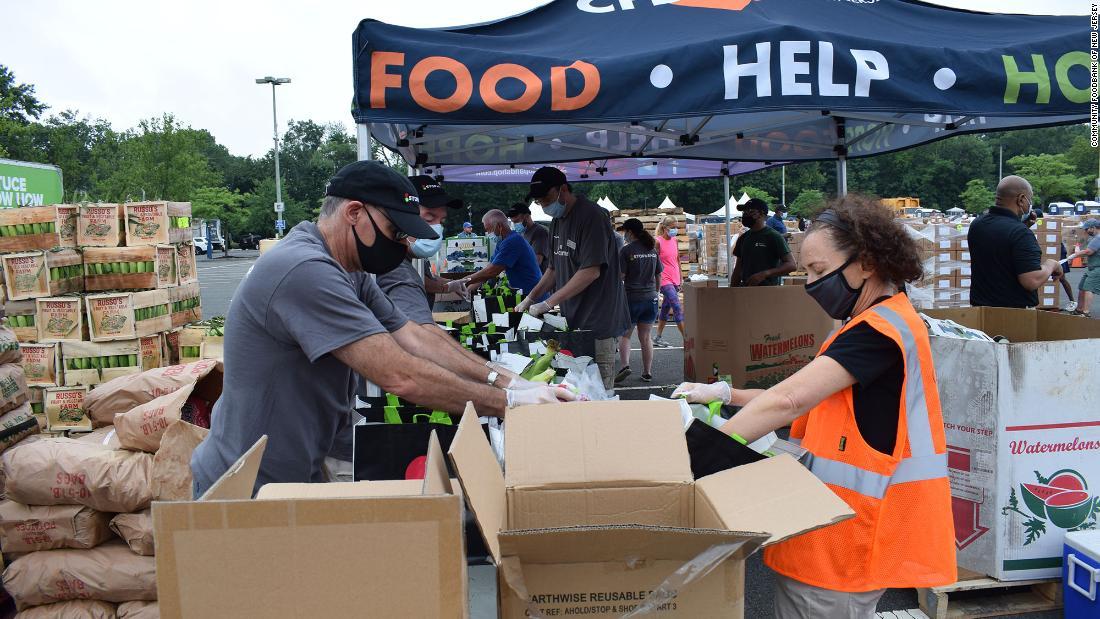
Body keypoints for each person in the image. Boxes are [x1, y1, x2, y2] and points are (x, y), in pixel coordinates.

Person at [191, 161, 573, 495]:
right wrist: (507, 404)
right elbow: (399, 374)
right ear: (355, 212)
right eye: (394, 232)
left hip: (294, 470)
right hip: (245, 482)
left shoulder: (350, 270)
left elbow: (417, 336)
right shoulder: (305, 269)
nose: (400, 244)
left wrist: (511, 382)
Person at [673, 197, 956, 617]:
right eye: (806, 270)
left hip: (842, 542)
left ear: (868, 262)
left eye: (819, 271)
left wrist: (696, 457)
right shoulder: (870, 325)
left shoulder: (877, 333)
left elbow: (790, 399)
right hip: (829, 528)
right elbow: (803, 396)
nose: (810, 284)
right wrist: (725, 395)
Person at [515, 166, 631, 390]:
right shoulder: (558, 221)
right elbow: (553, 269)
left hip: (598, 323)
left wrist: (548, 303)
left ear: (563, 189)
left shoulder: (592, 217)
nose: (543, 205)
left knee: (599, 393)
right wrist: (530, 298)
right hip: (573, 321)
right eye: (538, 202)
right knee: (576, 391)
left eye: (545, 199)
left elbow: (591, 271)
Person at [968, 175, 1062, 308]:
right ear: (1021, 199)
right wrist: (1051, 265)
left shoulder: (977, 225)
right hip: (1014, 313)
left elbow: (999, 244)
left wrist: (1022, 226)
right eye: (1030, 200)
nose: (1030, 205)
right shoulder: (1020, 233)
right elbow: (1031, 280)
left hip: (980, 308)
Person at [449, 209, 542, 298]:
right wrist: (468, 289)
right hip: (524, 294)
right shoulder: (502, 242)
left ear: (499, 226)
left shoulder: (513, 241)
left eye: (489, 230)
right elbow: (488, 270)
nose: (488, 233)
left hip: (533, 295)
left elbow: (492, 271)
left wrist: (463, 282)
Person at [616, 218, 661, 383]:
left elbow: (621, 276)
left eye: (625, 231)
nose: (624, 235)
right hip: (650, 299)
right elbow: (658, 275)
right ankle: (647, 372)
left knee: (625, 335)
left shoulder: (626, 251)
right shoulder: (652, 249)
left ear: (630, 232)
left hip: (631, 298)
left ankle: (625, 366)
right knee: (646, 337)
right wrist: (655, 292)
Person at [731, 198, 796, 286]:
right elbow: (738, 269)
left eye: (749, 211)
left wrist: (765, 274)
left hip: (768, 292)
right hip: (746, 291)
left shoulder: (773, 236)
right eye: (744, 212)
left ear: (761, 214)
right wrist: (732, 292)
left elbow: (791, 265)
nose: (745, 215)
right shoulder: (743, 238)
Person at [652, 216, 684, 348]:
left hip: (675, 277)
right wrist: (655, 280)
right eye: (673, 227)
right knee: (676, 306)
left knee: (665, 307)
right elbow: (653, 262)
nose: (675, 229)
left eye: (677, 227)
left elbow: (677, 260)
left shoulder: (675, 241)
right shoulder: (657, 242)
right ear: (665, 228)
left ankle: (657, 337)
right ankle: (687, 339)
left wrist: (681, 277)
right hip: (664, 279)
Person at [1065, 218, 1100, 317]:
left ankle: (1086, 312)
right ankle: (1080, 309)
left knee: (1089, 288)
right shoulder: (1093, 238)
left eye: (1087, 229)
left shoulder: (1098, 238)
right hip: (1091, 267)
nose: (1085, 231)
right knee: (1082, 287)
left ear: (1093, 228)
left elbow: (1089, 251)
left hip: (1097, 268)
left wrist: (1073, 255)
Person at [507, 203, 551, 272]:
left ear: (527, 216)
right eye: (513, 222)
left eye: (517, 221)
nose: (515, 225)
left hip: (538, 277)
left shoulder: (539, 232)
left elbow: (537, 261)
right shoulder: (522, 233)